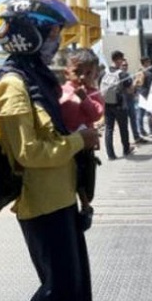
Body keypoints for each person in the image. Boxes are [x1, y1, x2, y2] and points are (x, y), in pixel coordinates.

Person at [0, 0, 99, 301]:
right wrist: (80, 140)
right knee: (59, 291)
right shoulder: (15, 86)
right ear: (28, 35)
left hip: (61, 196)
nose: (57, 42)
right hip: (42, 204)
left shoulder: (39, 80)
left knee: (77, 290)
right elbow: (30, 152)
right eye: (52, 33)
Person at [59, 48, 104, 230]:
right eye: (77, 72)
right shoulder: (61, 91)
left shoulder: (93, 93)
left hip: (84, 145)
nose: (83, 77)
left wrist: (85, 98)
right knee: (69, 177)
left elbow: (96, 114)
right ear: (67, 73)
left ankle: (86, 205)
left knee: (84, 177)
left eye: (88, 73)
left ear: (95, 74)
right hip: (65, 144)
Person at [101, 50, 135, 160]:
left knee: (109, 129)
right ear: (119, 60)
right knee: (123, 128)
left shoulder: (103, 72)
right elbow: (130, 91)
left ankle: (111, 155)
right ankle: (126, 150)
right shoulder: (122, 74)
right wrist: (134, 84)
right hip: (120, 105)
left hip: (107, 103)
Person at [135, 56, 152, 137]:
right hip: (147, 95)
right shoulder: (149, 73)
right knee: (150, 114)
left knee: (140, 114)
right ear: (145, 63)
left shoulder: (139, 72)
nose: (150, 63)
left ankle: (141, 131)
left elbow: (137, 83)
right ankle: (151, 131)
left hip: (140, 94)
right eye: (148, 62)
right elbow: (151, 86)